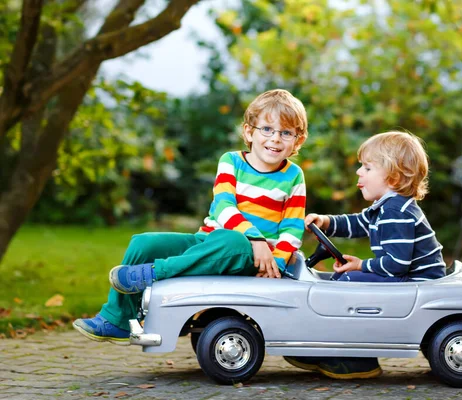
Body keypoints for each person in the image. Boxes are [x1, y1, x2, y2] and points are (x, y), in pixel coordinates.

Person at [73, 89, 308, 344]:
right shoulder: (231, 161)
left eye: (286, 133)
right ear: (249, 132)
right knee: (144, 242)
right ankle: (117, 320)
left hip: (252, 258)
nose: (275, 139)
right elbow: (223, 206)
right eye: (267, 129)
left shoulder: (293, 176)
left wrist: (277, 262)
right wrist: (254, 236)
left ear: (298, 141)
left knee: (233, 242)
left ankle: (154, 273)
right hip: (209, 242)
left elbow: (293, 227)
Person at [284, 130, 445, 379]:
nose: (359, 172)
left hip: (416, 281)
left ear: (393, 177)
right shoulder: (385, 207)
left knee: (347, 286)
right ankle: (330, 345)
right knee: (339, 282)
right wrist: (326, 222)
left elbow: (397, 264)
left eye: (367, 168)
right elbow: (358, 223)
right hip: (407, 277)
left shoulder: (397, 212)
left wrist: (361, 266)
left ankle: (354, 357)